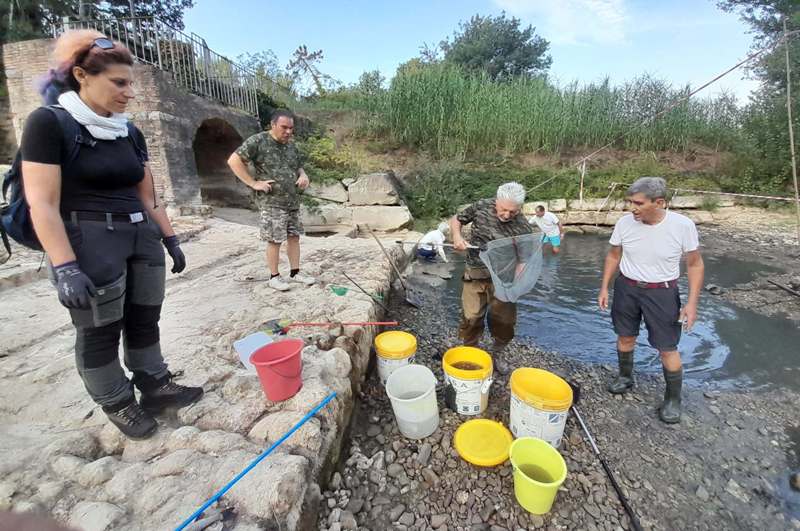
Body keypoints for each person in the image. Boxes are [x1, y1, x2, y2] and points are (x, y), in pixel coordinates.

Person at [21, 30, 203, 439]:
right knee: (100, 328)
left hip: (141, 237)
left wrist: (170, 238)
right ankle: (118, 402)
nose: (130, 92)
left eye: (131, 83)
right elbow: (42, 204)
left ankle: (154, 384)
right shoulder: (50, 123)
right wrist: (66, 267)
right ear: (82, 74)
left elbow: (149, 194)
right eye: (119, 83)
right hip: (90, 240)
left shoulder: (128, 131)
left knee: (145, 317)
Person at [598, 177, 704, 424]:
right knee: (625, 336)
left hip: (662, 292)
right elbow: (613, 256)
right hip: (627, 287)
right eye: (629, 202)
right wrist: (604, 287)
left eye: (638, 203)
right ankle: (625, 377)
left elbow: (695, 264)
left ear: (659, 203)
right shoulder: (625, 223)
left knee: (667, 347)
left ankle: (673, 399)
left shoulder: (682, 226)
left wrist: (692, 303)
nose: (632, 208)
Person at [227, 110, 316, 291]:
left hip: (291, 200)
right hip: (272, 201)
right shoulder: (258, 141)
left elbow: (298, 167)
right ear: (273, 125)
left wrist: (303, 175)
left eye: (291, 128)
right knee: (274, 239)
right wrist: (253, 183)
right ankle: (274, 277)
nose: (288, 132)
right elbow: (233, 160)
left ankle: (295, 272)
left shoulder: (291, 146)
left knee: (294, 237)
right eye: (284, 127)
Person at [450, 182, 533, 373]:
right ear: (496, 201)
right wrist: (457, 236)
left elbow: (524, 259)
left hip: (504, 279)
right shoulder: (481, 206)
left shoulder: (523, 227)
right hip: (475, 273)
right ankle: (471, 351)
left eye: (513, 212)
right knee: (471, 317)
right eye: (503, 209)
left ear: (519, 208)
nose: (507, 215)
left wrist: (516, 283)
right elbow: (457, 219)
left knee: (504, 322)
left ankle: (497, 354)